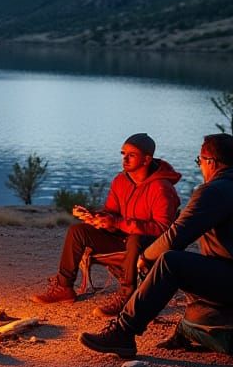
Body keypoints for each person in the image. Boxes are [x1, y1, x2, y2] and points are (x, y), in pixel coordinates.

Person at [80, 132, 233, 358]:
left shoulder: (218, 190)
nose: (200, 168)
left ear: (211, 162)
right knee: (189, 261)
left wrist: (145, 257)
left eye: (199, 161)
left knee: (171, 262)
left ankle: (122, 332)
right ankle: (191, 330)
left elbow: (175, 235)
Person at [32, 133, 181, 316]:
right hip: (121, 239)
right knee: (77, 231)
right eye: (123, 153)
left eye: (131, 155)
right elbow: (112, 212)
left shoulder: (161, 188)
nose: (124, 159)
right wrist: (99, 218)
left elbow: (163, 229)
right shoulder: (120, 181)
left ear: (146, 159)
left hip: (148, 245)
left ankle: (127, 296)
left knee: (134, 239)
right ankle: (64, 288)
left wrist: (118, 223)